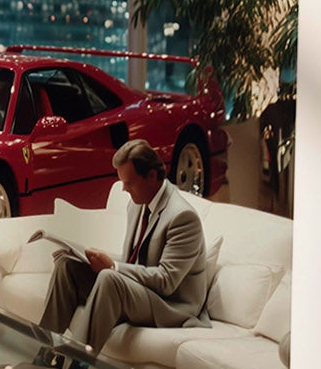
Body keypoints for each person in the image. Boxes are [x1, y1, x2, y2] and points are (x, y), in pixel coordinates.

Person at [37, 140, 209, 352]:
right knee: (67, 266)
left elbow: (166, 281)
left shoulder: (182, 217)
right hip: (139, 290)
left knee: (110, 279)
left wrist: (113, 267)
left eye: (130, 183)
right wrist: (84, 255)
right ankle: (42, 358)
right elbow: (133, 261)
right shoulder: (137, 204)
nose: (124, 189)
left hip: (170, 305)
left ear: (152, 177)